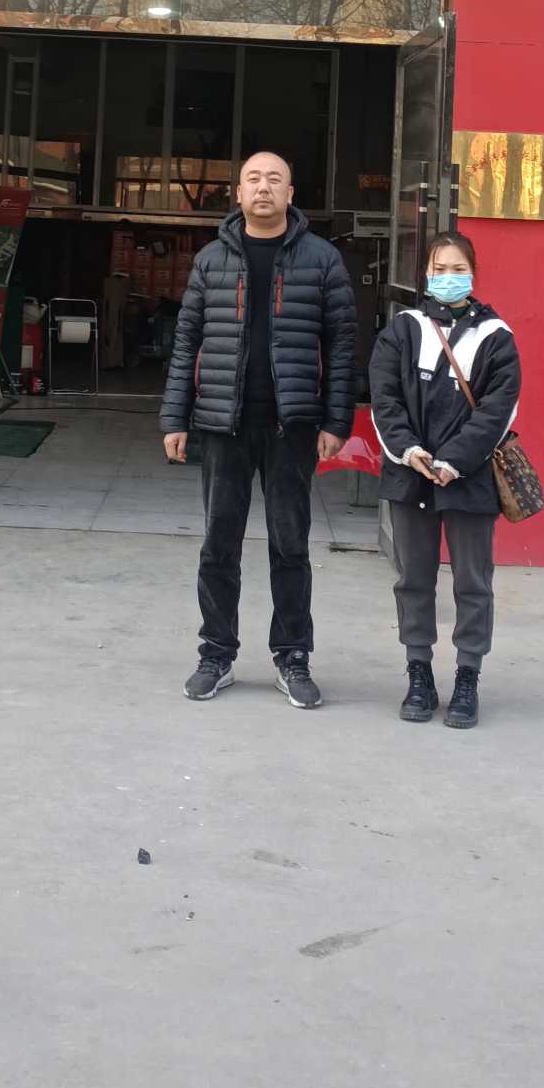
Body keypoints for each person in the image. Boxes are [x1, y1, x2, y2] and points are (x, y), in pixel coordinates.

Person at [161, 151, 357, 709]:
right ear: (239, 193)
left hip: (291, 426)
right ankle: (216, 653)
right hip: (223, 423)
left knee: (290, 545)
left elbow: (343, 345)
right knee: (218, 545)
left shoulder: (323, 260)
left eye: (274, 180)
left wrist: (336, 420)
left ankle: (293, 657)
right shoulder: (211, 260)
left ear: (291, 194)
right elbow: (187, 341)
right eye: (253, 179)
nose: (263, 187)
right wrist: (174, 417)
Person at [368, 230, 521, 731]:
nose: (448, 277)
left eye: (458, 269)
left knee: (473, 582)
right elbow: (384, 399)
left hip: (469, 479)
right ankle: (419, 673)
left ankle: (467, 677)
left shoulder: (496, 336)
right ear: (426, 273)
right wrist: (409, 451)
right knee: (413, 578)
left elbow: (498, 410)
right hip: (409, 475)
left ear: (473, 274)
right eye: (440, 269)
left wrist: (454, 460)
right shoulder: (403, 329)